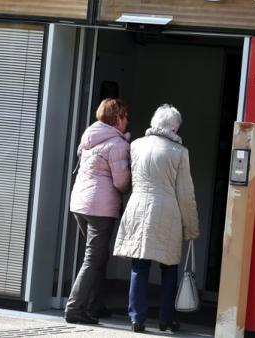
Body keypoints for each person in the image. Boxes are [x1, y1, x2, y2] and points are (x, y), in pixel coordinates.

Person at [114, 104, 200, 333]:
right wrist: (191, 227)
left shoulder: (136, 145)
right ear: (174, 128)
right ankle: (166, 319)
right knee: (169, 266)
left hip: (138, 206)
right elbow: (185, 193)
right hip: (167, 210)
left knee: (139, 265)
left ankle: (136, 318)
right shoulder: (179, 152)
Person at [65, 98, 131, 325]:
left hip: (80, 204)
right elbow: (121, 182)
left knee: (98, 256)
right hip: (100, 207)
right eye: (125, 116)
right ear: (117, 118)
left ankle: (95, 304)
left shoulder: (89, 138)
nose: (127, 121)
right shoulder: (117, 144)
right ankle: (74, 308)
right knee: (94, 258)